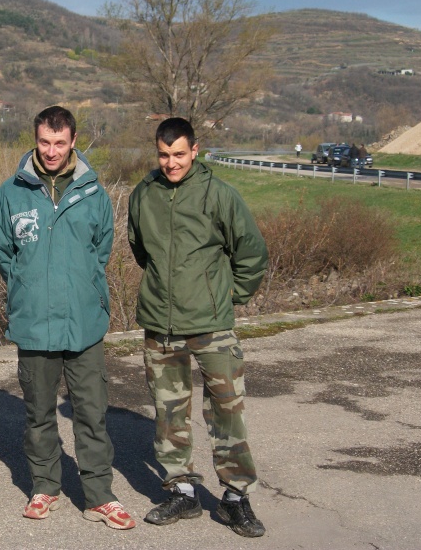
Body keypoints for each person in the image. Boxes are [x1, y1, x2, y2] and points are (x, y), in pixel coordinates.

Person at [0, 106, 136, 530]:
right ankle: (45, 486)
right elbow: (3, 253)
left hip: (84, 323)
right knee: (38, 413)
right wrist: (26, 288)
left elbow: (100, 251)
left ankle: (99, 495)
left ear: (73, 142)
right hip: (34, 322)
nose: (51, 151)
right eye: (43, 143)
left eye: (59, 143)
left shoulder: (92, 192)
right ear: (34, 141)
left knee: (91, 411)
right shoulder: (12, 193)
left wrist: (85, 290)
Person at [127, 117, 269, 537]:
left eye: (179, 155)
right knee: (170, 413)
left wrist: (230, 296)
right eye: (164, 155)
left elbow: (251, 251)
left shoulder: (220, 195)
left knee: (226, 411)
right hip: (160, 321)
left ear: (195, 150)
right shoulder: (143, 195)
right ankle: (182, 491)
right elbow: (140, 250)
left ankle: (235, 499)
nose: (171, 163)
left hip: (212, 325)